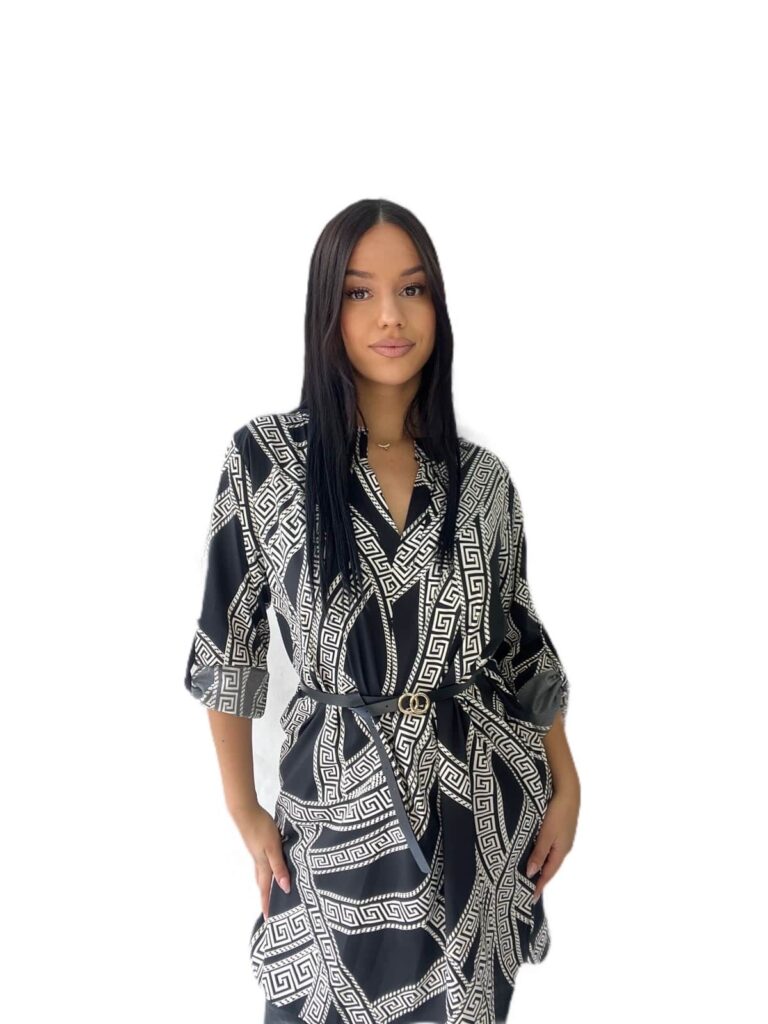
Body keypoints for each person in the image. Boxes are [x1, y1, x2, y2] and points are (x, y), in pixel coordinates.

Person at [184, 198, 581, 1024]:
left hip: (476, 807)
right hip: (332, 811)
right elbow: (229, 645)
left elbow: (521, 648)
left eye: (413, 289)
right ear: (325, 310)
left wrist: (567, 781)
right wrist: (244, 811)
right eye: (360, 293)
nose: (391, 316)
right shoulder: (266, 461)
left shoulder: (483, 481)